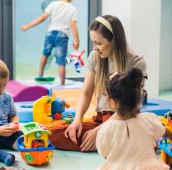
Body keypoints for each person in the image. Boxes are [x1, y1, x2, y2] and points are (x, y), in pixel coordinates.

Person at [81, 68, 172, 170]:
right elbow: (165, 132)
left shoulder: (106, 128)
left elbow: (104, 152)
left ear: (112, 102)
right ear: (138, 101)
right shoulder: (149, 120)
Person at [51, 15, 147, 151]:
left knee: (120, 139)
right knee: (51, 134)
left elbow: (132, 106)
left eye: (99, 43)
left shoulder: (136, 62)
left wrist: (99, 131)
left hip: (122, 122)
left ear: (115, 40)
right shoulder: (95, 57)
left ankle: (108, 142)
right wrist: (77, 120)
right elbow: (86, 92)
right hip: (100, 120)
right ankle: (103, 143)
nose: (95, 48)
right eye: (93, 42)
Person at [20, 0, 80, 85]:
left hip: (50, 33)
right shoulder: (72, 8)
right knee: (61, 61)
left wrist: (28, 26)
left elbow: (42, 18)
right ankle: (62, 83)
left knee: (45, 53)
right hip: (62, 35)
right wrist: (77, 40)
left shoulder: (53, 5)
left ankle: (40, 75)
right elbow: (73, 24)